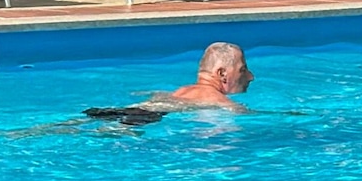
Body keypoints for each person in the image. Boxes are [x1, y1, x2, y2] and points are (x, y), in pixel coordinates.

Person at [92, 42, 250, 125]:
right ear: (222, 74)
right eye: (242, 70)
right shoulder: (216, 98)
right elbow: (244, 115)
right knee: (113, 133)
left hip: (129, 109)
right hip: (147, 116)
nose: (250, 77)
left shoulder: (183, 90)